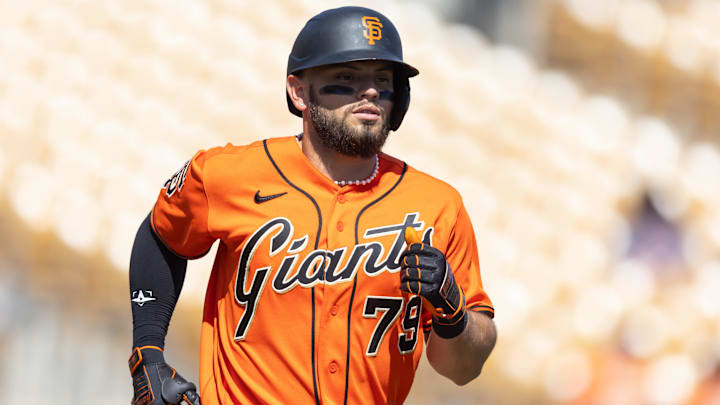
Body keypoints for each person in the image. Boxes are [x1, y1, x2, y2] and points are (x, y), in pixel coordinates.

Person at [128, 6, 496, 405]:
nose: (369, 92)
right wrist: (147, 354)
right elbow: (162, 235)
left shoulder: (437, 207)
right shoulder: (227, 175)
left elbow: (463, 368)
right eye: (346, 78)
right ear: (299, 92)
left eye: (381, 80)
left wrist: (453, 310)